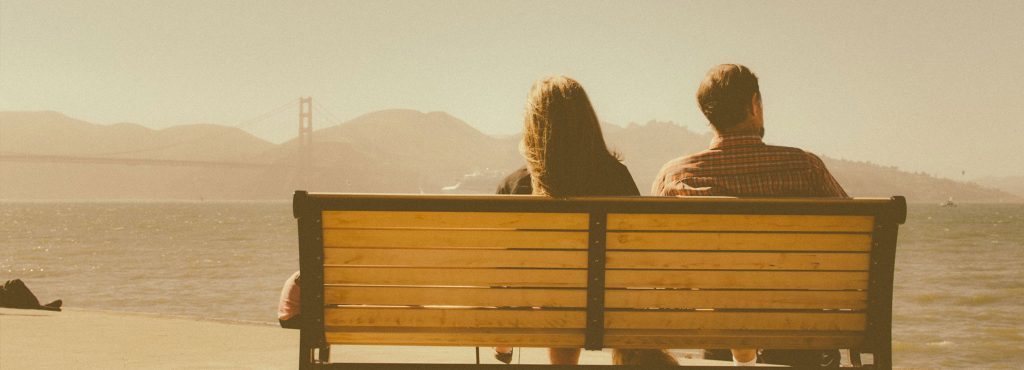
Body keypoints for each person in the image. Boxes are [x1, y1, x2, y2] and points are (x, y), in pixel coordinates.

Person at [652, 64, 845, 367]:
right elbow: (848, 245)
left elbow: (658, 262)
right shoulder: (805, 168)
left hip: (717, 331)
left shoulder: (675, 177)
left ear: (708, 115)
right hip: (800, 334)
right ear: (754, 104)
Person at [494, 76, 677, 366]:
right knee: (577, 293)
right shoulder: (616, 176)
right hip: (608, 309)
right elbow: (640, 257)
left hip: (546, 311)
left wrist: (502, 340)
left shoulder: (515, 186)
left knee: (562, 295)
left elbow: (502, 275)